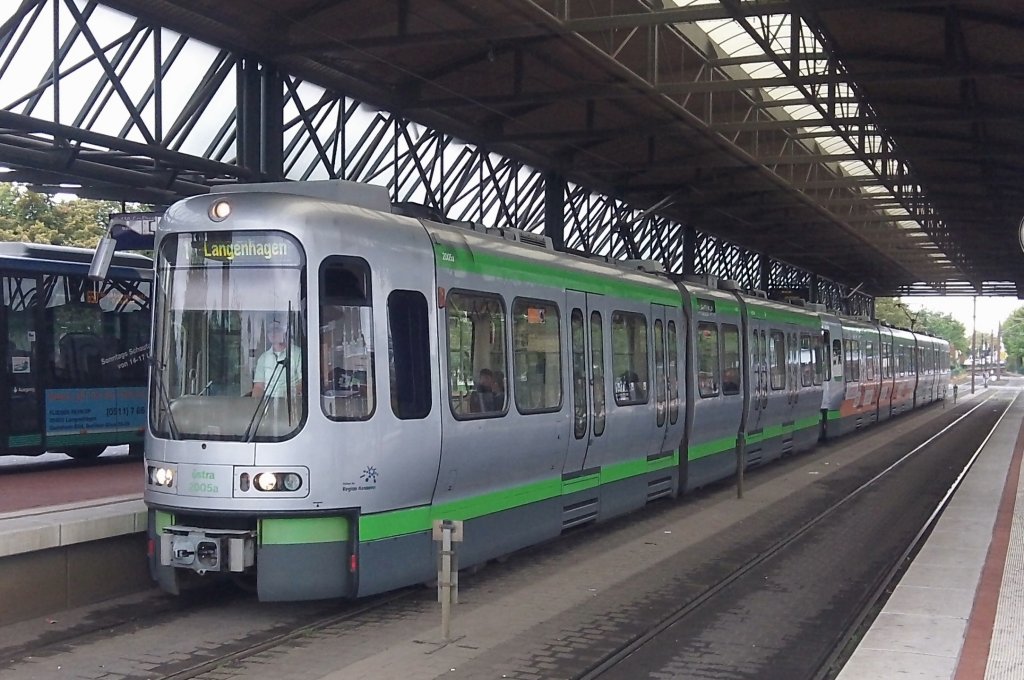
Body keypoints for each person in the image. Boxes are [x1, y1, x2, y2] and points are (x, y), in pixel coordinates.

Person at [252, 320, 302, 400]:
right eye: (270, 331)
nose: (273, 334)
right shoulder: (263, 358)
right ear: (268, 335)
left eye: (277, 330)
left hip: (291, 403)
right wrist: (254, 404)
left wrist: (291, 393)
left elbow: (303, 382)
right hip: (267, 404)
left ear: (284, 332)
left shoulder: (298, 353)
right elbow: (258, 387)